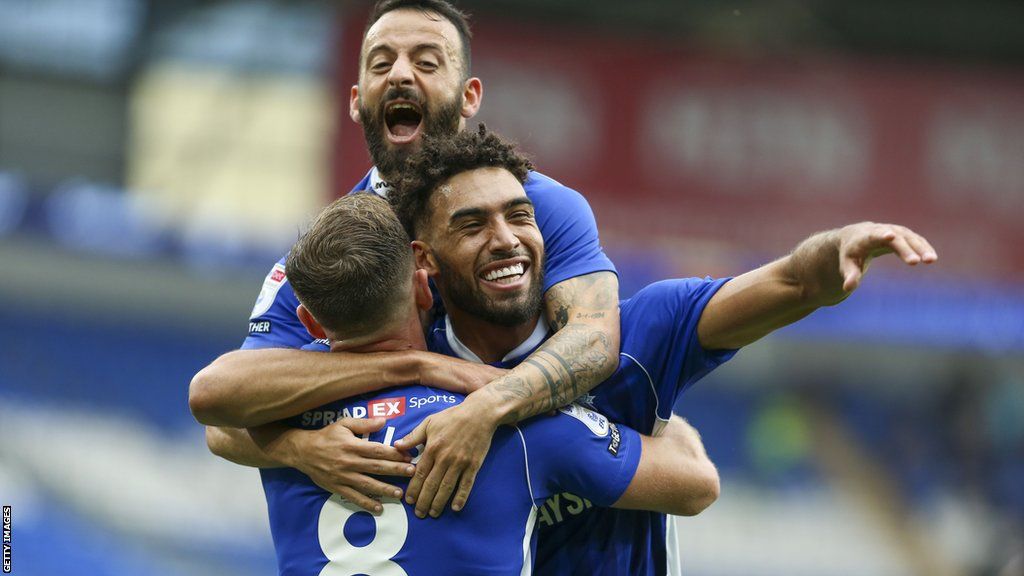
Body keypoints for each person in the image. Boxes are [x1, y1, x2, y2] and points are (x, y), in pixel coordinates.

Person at [381, 126, 937, 575]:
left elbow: (792, 283)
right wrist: (295, 450)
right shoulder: (404, 379)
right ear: (424, 258)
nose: (506, 238)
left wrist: (836, 248)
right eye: (473, 225)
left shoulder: (637, 335)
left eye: (520, 215)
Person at [189, 0, 625, 515]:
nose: (399, 74)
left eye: (426, 61)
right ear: (355, 101)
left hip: (570, 511)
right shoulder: (336, 251)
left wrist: (483, 410)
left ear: (469, 97)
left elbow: (595, 339)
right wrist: (297, 449)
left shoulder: (538, 207)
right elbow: (224, 418)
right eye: (381, 63)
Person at [210, 192, 721, 575]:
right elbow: (696, 483)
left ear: (311, 322)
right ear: (422, 283)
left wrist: (297, 447)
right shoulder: (501, 421)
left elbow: (213, 403)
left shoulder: (276, 417)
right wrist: (638, 405)